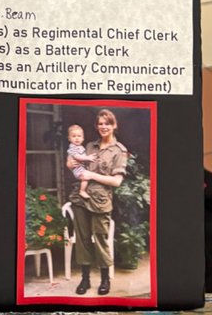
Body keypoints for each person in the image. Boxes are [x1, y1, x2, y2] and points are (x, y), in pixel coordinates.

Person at [69, 108, 127, 296]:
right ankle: (85, 279)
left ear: (114, 125)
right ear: (96, 126)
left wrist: (92, 174)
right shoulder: (89, 146)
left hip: (101, 201)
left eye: (107, 123)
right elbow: (74, 163)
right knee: (83, 239)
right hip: (80, 199)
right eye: (100, 123)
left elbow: (117, 182)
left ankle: (104, 279)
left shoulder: (119, 151)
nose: (103, 127)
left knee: (101, 239)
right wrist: (69, 163)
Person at [66, 124, 96, 199]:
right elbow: (77, 157)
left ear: (83, 138)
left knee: (86, 177)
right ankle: (82, 191)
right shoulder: (73, 148)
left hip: (81, 168)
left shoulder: (80, 147)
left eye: (79, 136)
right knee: (85, 177)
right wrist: (88, 158)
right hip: (78, 170)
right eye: (74, 136)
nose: (77, 138)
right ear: (69, 139)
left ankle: (83, 190)